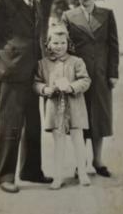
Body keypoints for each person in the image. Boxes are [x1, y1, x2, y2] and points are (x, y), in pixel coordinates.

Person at [0, 0, 52, 193]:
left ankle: (31, 171)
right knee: (11, 124)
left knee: (33, 124)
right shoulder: (3, 0)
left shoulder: (36, 2)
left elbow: (37, 37)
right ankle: (5, 176)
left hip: (33, 72)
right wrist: (3, 63)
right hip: (12, 73)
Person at [62, 0, 119, 177]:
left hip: (101, 75)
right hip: (78, 77)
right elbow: (64, 48)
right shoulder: (68, 17)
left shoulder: (107, 14)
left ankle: (97, 160)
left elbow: (113, 46)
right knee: (80, 118)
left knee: (100, 118)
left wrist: (113, 73)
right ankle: (81, 161)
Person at [34, 25, 91, 189]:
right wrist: (45, 89)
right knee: (58, 143)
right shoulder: (42, 64)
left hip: (75, 107)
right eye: (55, 43)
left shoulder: (76, 61)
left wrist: (72, 87)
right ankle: (57, 177)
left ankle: (82, 173)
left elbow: (86, 80)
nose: (59, 46)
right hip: (55, 109)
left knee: (78, 141)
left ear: (68, 43)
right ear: (48, 44)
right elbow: (36, 83)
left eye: (63, 43)